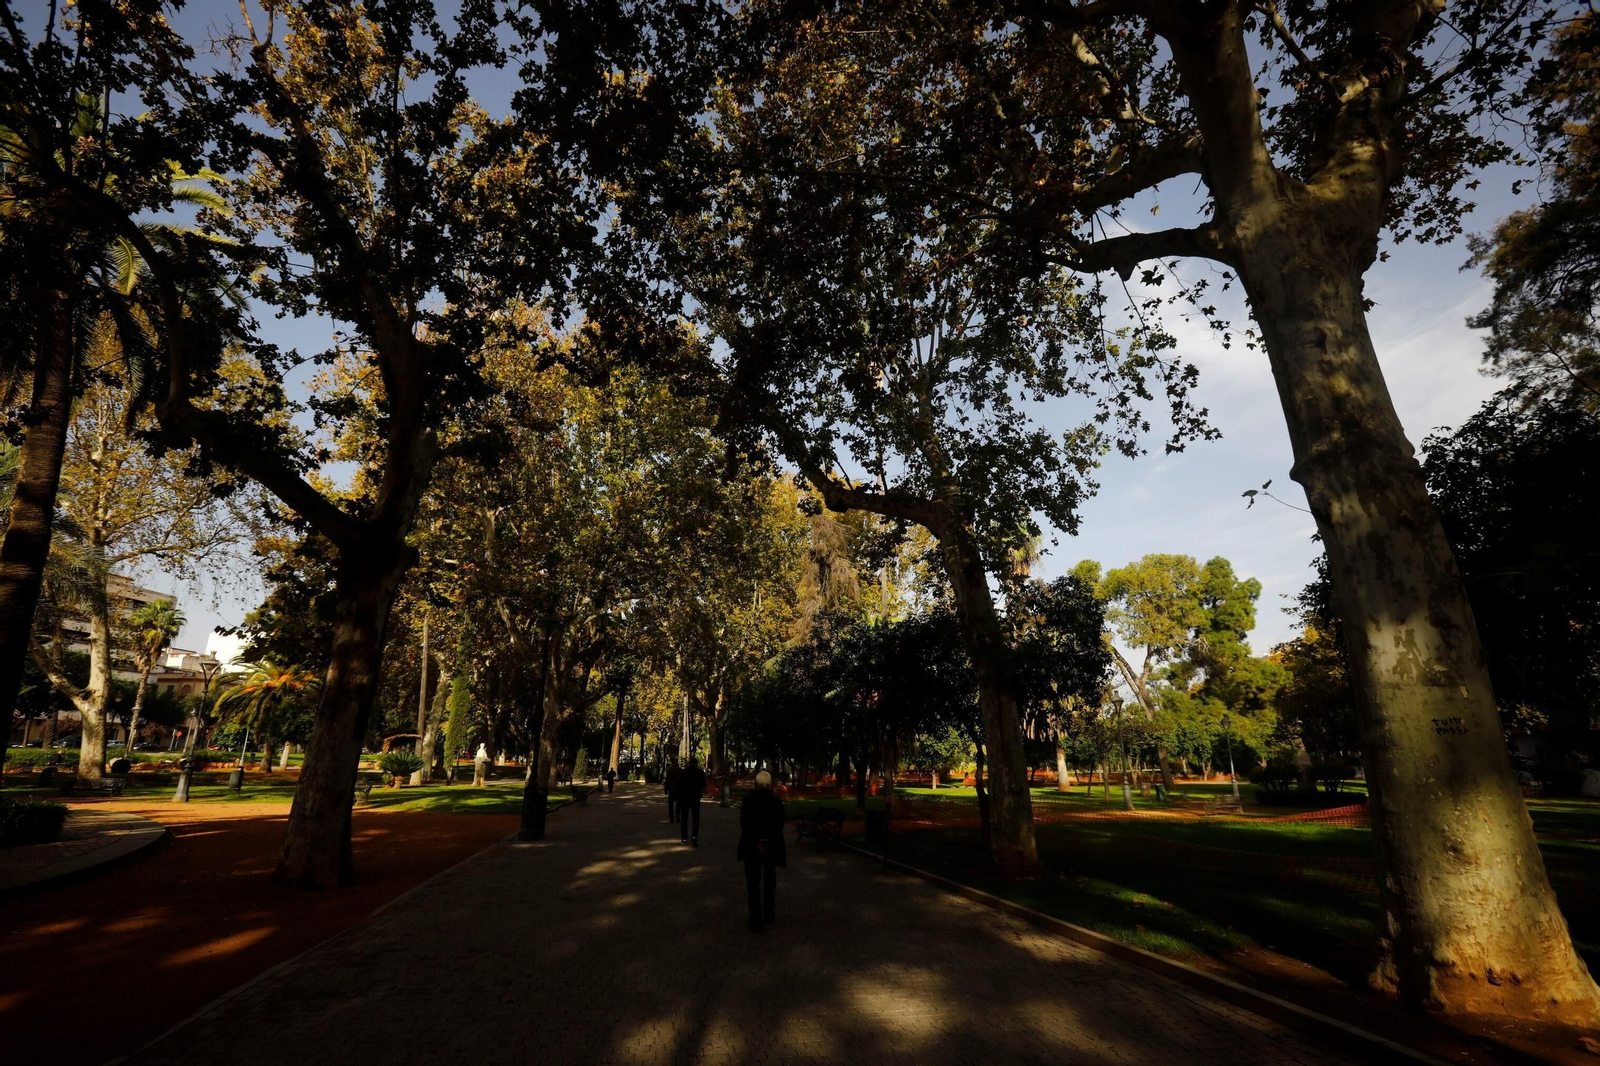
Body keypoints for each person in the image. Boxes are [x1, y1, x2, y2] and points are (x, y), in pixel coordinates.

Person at [737, 770, 787, 932]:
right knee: (769, 879)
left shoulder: (748, 800)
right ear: (770, 785)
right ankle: (769, 912)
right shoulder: (776, 802)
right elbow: (779, 826)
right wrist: (768, 842)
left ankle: (756, 919)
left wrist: (757, 842)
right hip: (771, 846)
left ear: (756, 784)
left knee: (753, 883)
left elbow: (745, 825)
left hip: (752, 846)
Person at [675, 757, 707, 845]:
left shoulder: (683, 772)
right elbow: (704, 785)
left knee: (684, 819)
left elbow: (678, 785)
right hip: (695, 798)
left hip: (685, 798)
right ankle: (694, 836)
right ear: (696, 764)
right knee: (695, 818)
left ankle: (684, 838)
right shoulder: (700, 773)